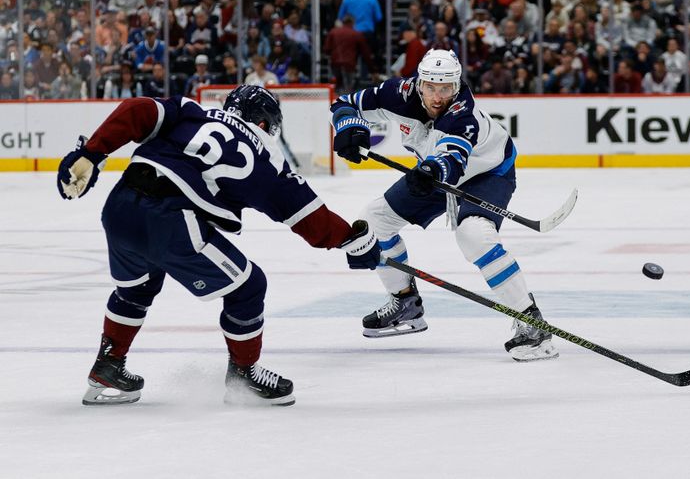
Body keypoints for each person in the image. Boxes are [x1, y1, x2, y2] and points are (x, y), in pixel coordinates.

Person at [57, 85, 381, 406]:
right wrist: (351, 239)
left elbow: (139, 109)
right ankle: (244, 373)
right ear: (265, 123)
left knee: (136, 290)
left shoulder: (191, 111)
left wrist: (91, 152)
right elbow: (304, 212)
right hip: (170, 219)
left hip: (120, 207)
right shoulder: (261, 153)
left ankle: (107, 367)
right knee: (249, 287)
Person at [329, 49, 558, 361]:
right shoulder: (397, 93)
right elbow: (345, 104)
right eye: (431, 88)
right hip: (432, 172)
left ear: (457, 85)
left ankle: (532, 324)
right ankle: (406, 303)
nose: (438, 97)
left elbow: (452, 156)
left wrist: (434, 170)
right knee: (373, 221)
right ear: (419, 83)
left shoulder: (463, 113)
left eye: (446, 89)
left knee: (474, 236)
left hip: (487, 172)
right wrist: (349, 128)